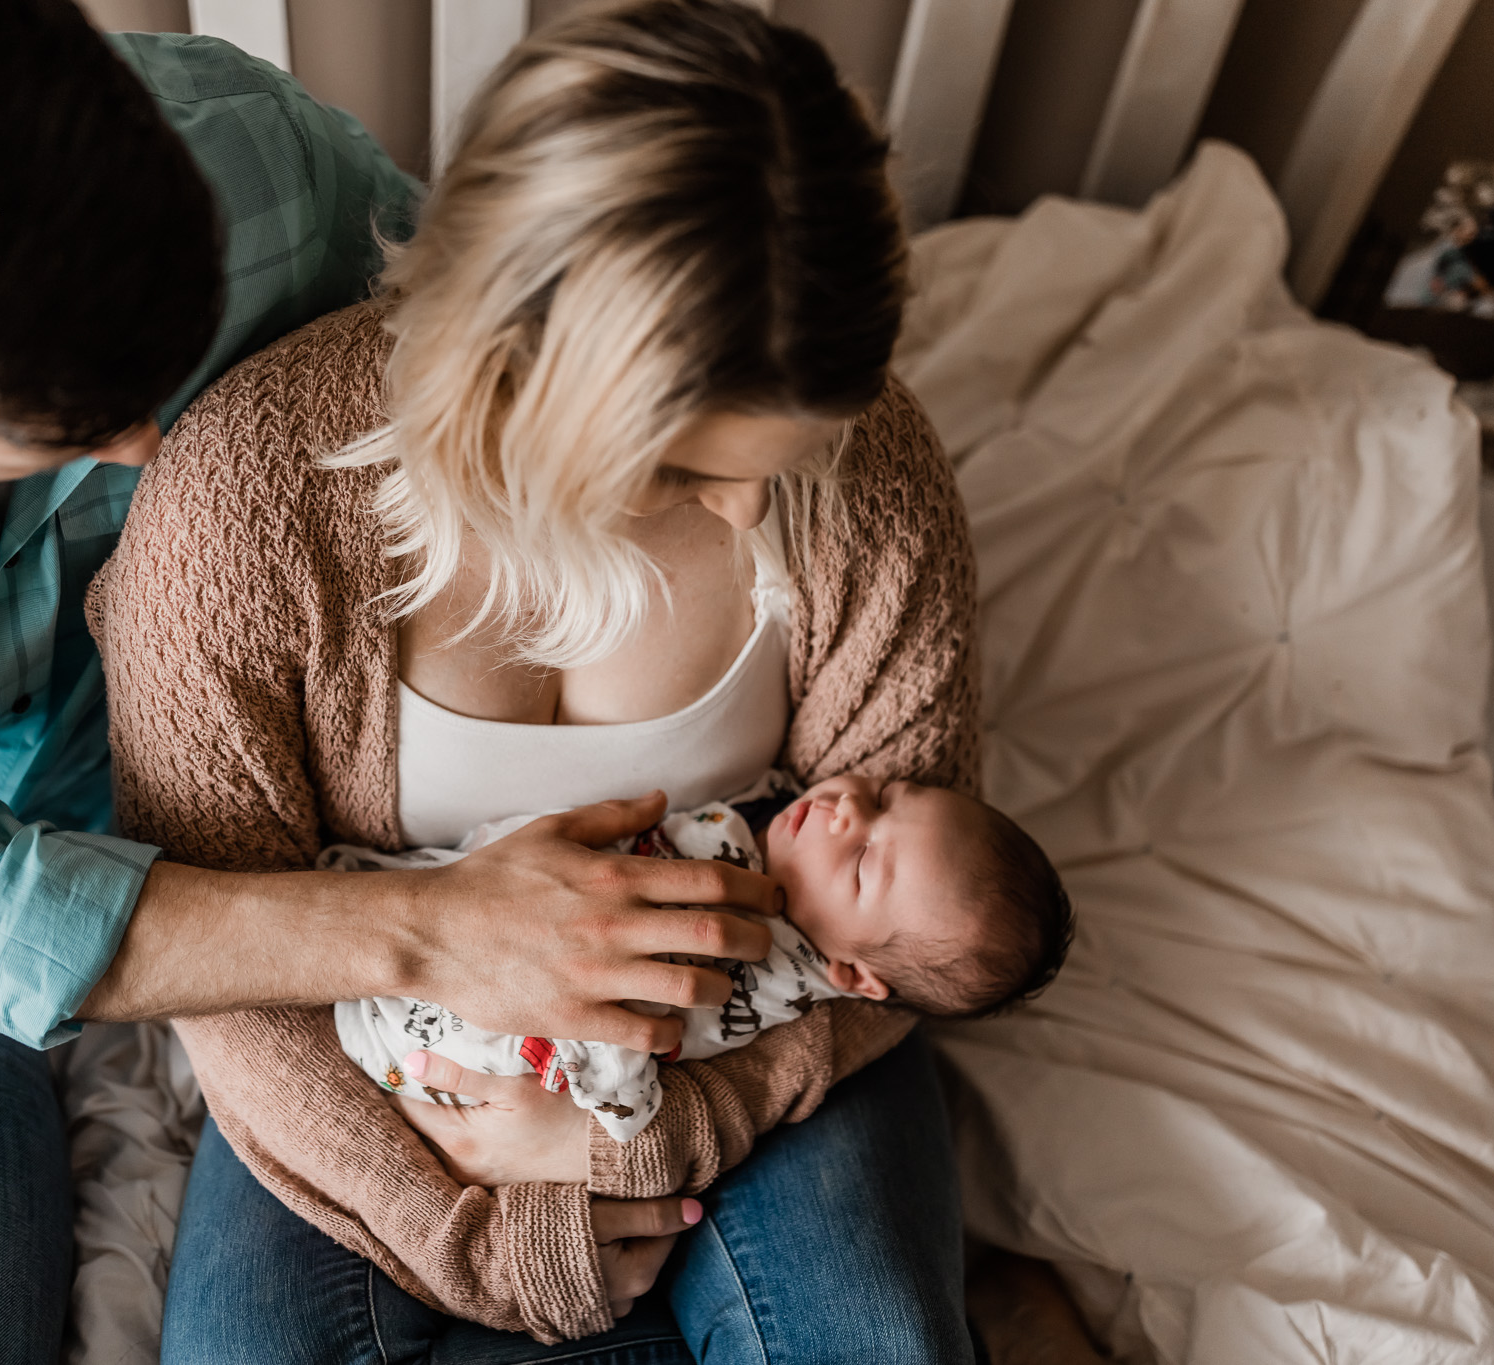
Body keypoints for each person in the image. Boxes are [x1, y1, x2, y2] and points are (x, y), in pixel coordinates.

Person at [0, 3, 785, 1362]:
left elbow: (482, 361)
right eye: (53, 433)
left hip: (122, 779)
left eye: (152, 385)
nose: (140, 449)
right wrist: (437, 929)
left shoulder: (243, 154)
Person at [89, 1, 987, 1357]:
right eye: (683, 468)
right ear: (515, 372)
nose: (747, 515)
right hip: (366, 1068)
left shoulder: (868, 474)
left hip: (746, 1047)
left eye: (786, 455)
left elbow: (915, 914)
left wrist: (647, 1133)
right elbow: (223, 958)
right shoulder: (241, 511)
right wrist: (474, 1232)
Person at [334, 771, 1074, 1142]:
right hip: (421, 921)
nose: (848, 808)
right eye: (883, 791)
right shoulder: (768, 840)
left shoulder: (756, 965)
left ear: (851, 974)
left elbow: (624, 1010)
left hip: (447, 1022)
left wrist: (620, 1114)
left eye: (860, 865)